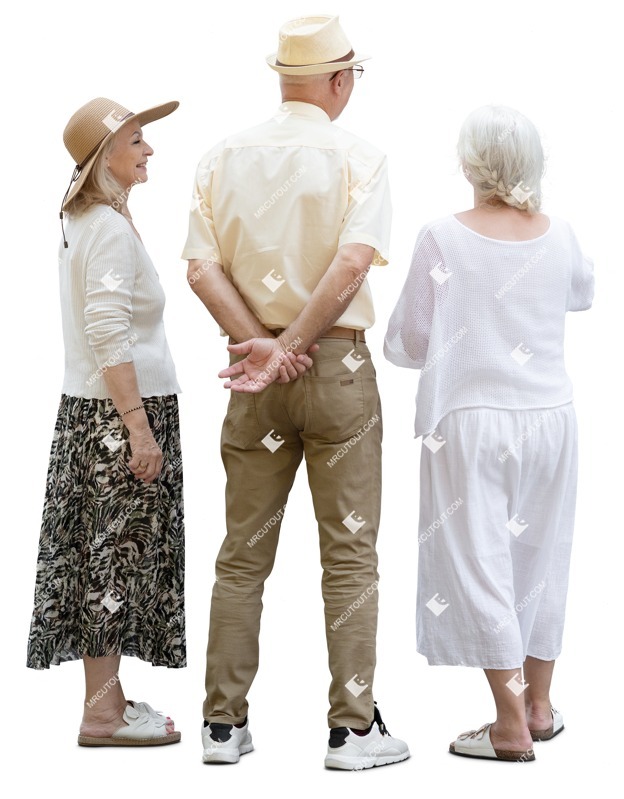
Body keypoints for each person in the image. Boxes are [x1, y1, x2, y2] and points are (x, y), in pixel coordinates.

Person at [183, 15, 409, 770]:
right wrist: (293, 350)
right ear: (339, 80)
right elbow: (351, 264)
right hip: (336, 371)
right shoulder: (361, 159)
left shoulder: (222, 156)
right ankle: (352, 730)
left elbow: (200, 269)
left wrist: (268, 350)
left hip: (254, 376)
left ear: (283, 78)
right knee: (349, 555)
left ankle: (221, 726)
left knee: (242, 555)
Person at [384, 105, 594, 761]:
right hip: (551, 417)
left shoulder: (441, 237)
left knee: (480, 564)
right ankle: (539, 706)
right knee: (542, 558)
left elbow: (410, 339)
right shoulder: (561, 234)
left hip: (471, 419)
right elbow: (582, 293)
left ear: (469, 164)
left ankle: (508, 725)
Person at [26, 97, 185, 747]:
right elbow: (107, 331)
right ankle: (102, 715)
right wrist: (139, 428)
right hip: (118, 417)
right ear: (104, 157)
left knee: (102, 558)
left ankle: (108, 701)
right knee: (113, 564)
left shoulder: (89, 221)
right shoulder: (107, 230)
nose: (149, 150)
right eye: (137, 140)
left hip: (94, 413)